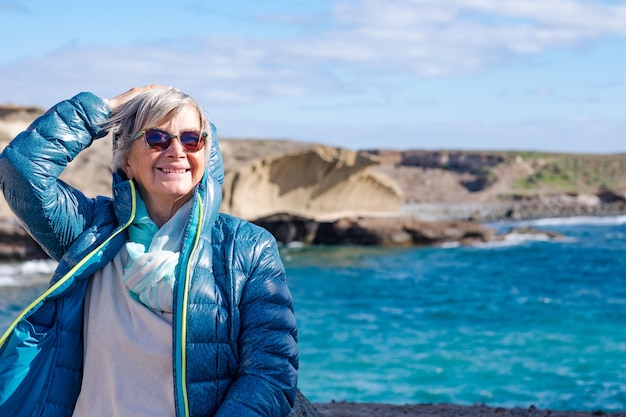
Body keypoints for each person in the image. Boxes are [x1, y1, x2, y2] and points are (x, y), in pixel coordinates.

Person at [0, 85, 298, 417]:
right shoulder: (92, 232)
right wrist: (107, 109)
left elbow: (270, 372)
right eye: (156, 138)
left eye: (191, 139)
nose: (177, 152)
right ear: (125, 161)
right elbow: (21, 170)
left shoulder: (246, 247)